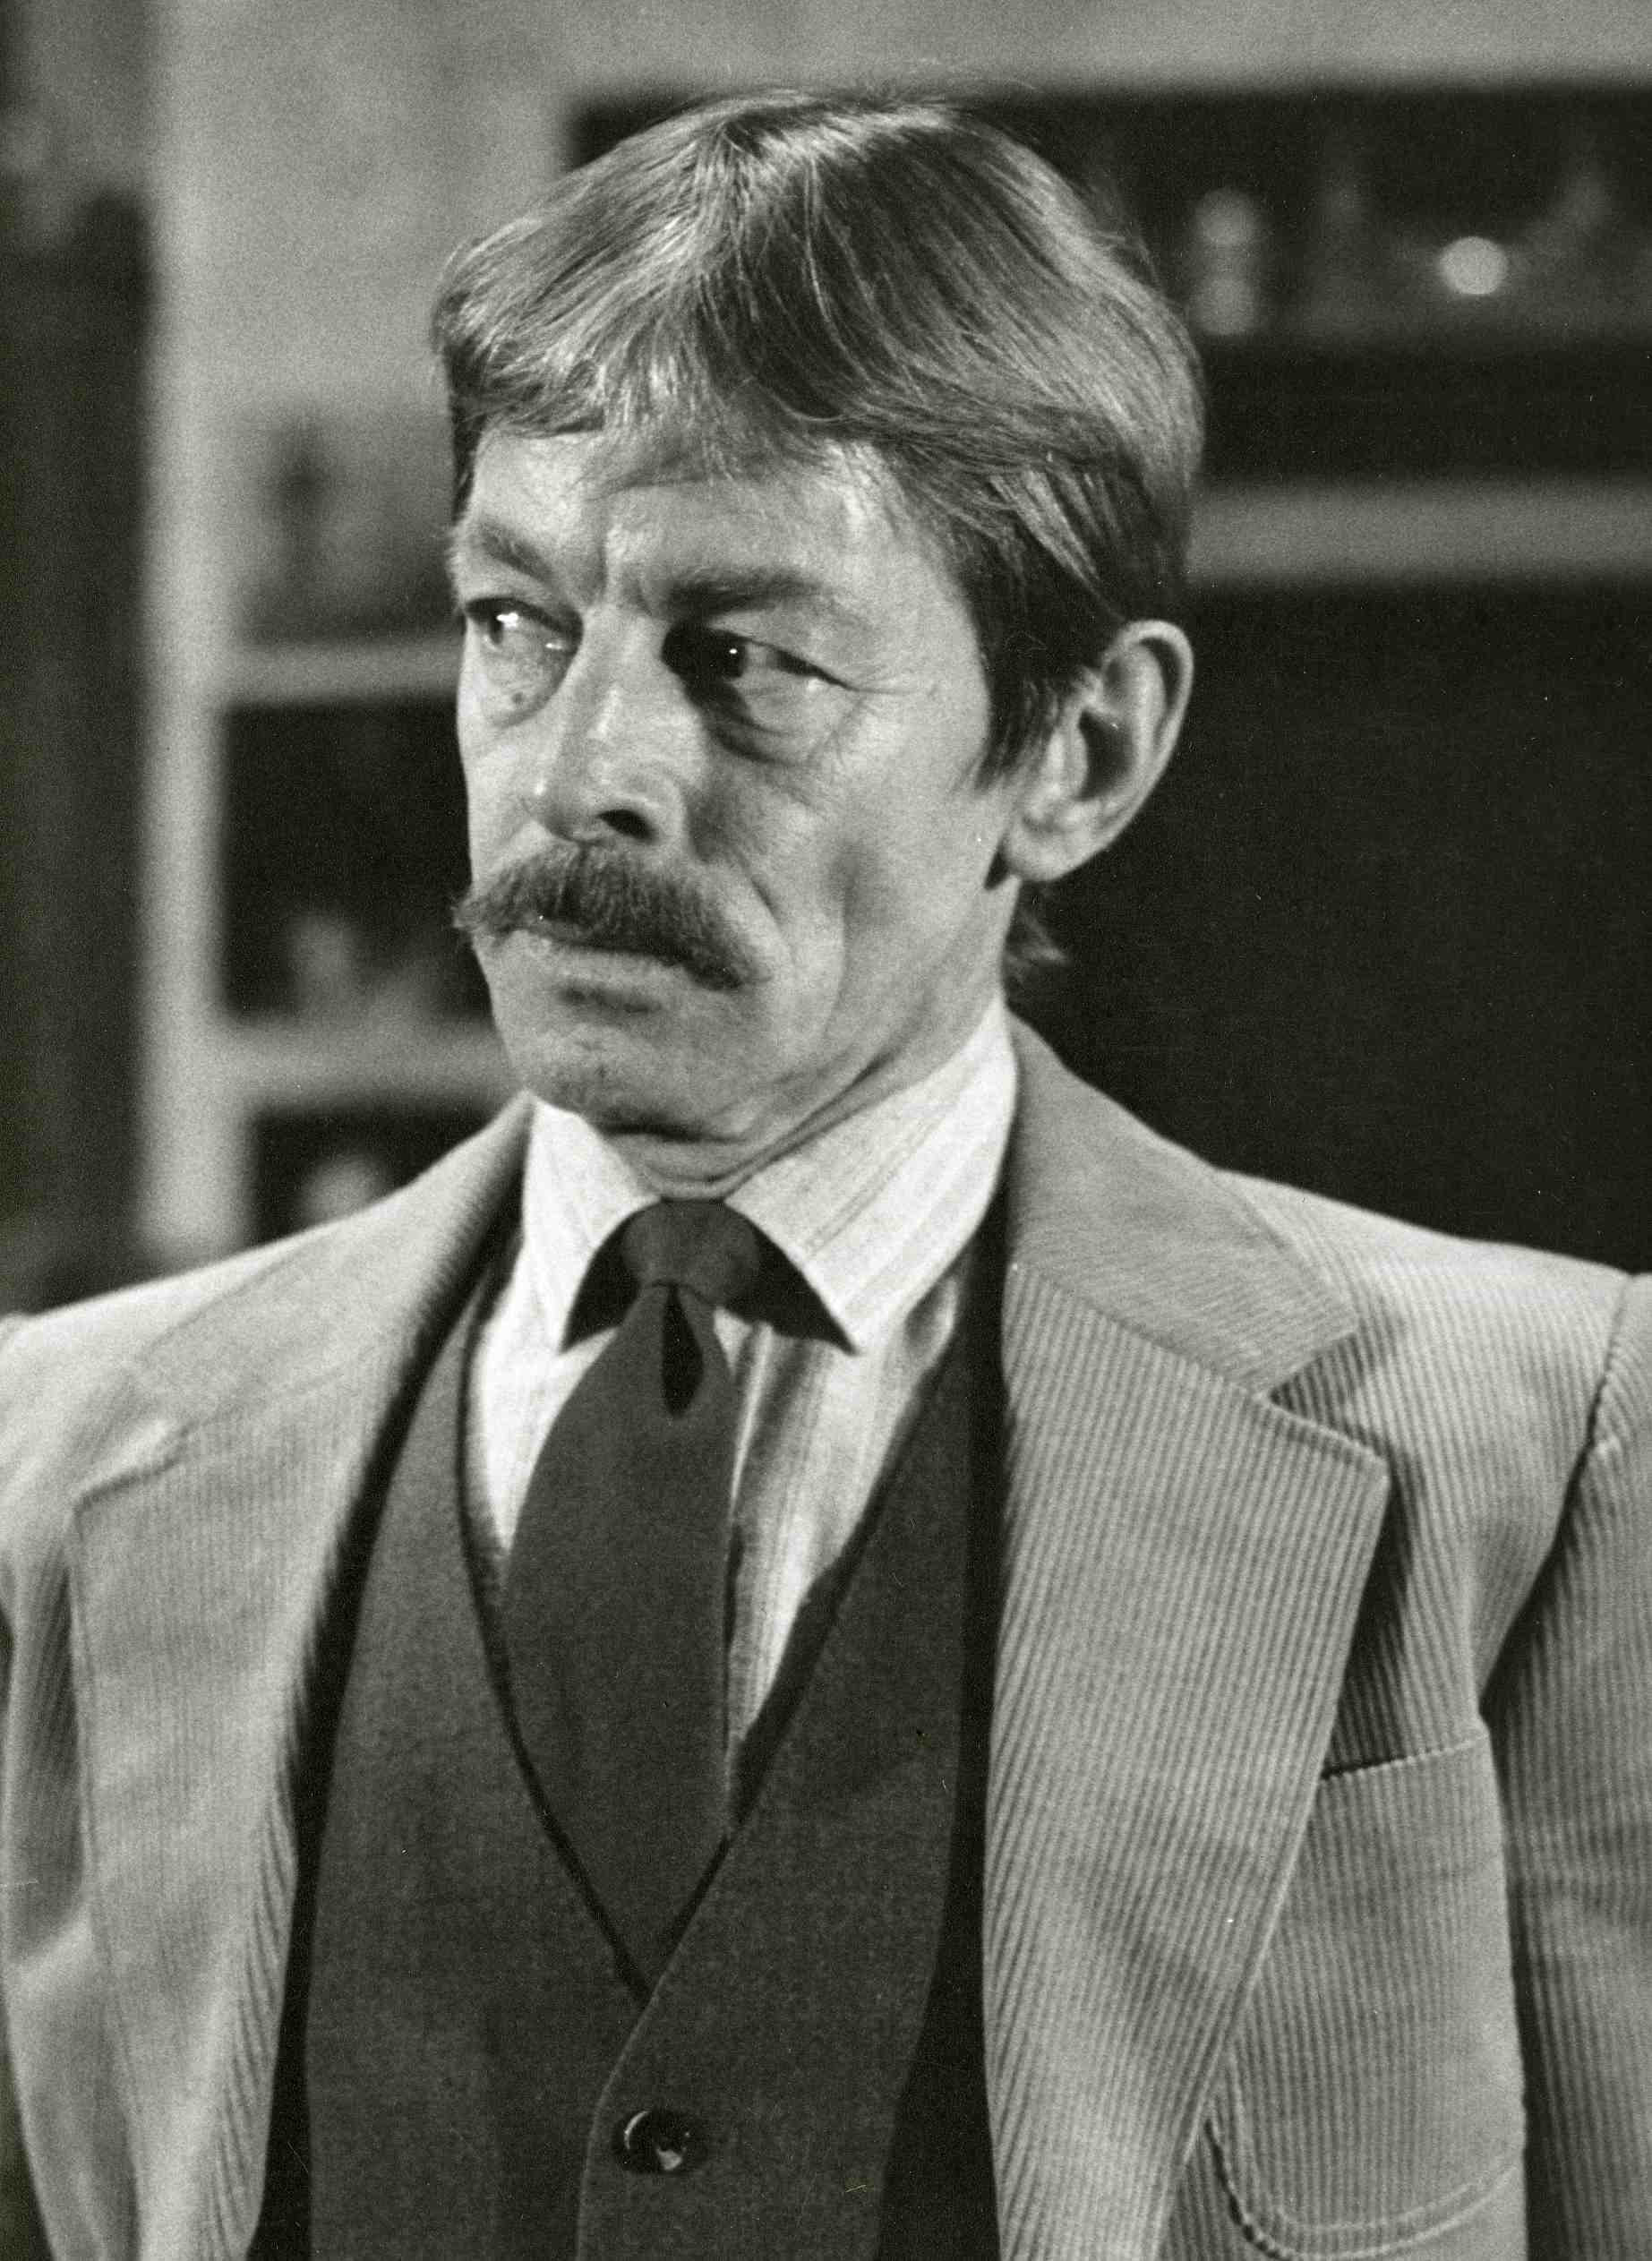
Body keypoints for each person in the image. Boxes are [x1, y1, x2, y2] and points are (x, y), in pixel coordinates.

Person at [2, 90, 1648, 2261]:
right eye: (515, 624)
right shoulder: (60, 1458)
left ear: (1076, 754)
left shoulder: (1526, 1443)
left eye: (746, 659)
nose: (580, 777)